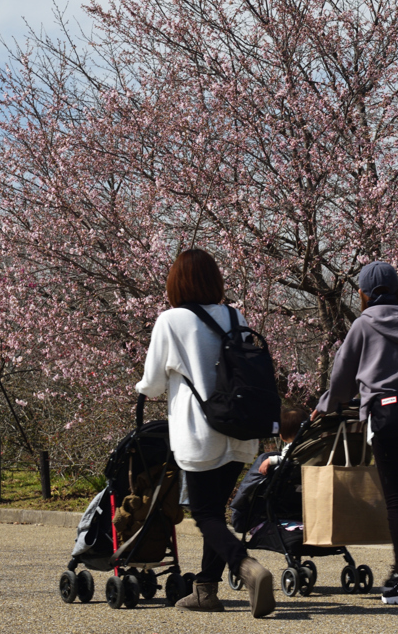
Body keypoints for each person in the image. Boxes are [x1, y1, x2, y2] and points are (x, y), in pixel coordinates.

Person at [136, 248, 275, 618]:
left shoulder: (171, 320)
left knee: (204, 513)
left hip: (199, 431)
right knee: (216, 512)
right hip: (241, 430)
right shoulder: (234, 314)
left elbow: (151, 385)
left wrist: (143, 384)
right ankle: (205, 592)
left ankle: (247, 567)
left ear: (175, 282)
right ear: (215, 281)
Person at [311, 261, 398, 606]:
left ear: (364, 294)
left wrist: (327, 405)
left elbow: (343, 375)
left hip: (384, 418)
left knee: (396, 502)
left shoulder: (363, 325)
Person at [258, 407, 309, 475]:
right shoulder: (310, 442)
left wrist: (270, 460)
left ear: (283, 437)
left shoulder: (291, 447)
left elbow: (285, 459)